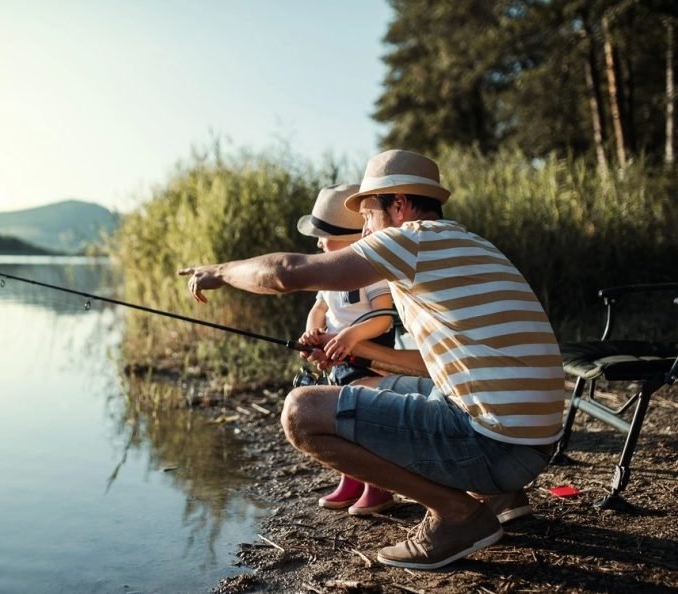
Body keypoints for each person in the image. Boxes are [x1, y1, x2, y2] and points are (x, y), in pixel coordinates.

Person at [179, 149, 565, 570]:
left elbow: (286, 273)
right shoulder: (469, 245)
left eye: (367, 215)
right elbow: (434, 367)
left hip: (496, 447)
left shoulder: (410, 240)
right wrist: (356, 349)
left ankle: (458, 516)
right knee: (381, 386)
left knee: (302, 412)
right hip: (534, 444)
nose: (363, 230)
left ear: (398, 205)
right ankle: (500, 496)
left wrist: (220, 271)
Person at [295, 183, 398, 516]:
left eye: (324, 236)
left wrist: (351, 337)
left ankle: (377, 485)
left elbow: (383, 318)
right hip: (336, 360)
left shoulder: (373, 273)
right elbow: (319, 308)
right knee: (338, 419)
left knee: (361, 420)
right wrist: (313, 331)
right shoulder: (329, 274)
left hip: (368, 358)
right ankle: (350, 478)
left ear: (350, 239)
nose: (318, 243)